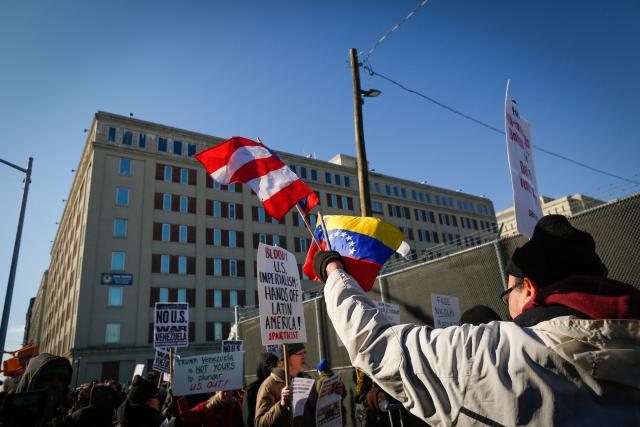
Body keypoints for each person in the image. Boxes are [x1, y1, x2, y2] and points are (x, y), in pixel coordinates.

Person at [313, 214, 640, 425]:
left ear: (529, 289)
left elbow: (377, 346)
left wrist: (333, 269)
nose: (507, 303)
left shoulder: (502, 355)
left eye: (507, 292)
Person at [1, 352, 73, 427]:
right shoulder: (10, 417)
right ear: (33, 380)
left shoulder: (65, 413)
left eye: (62, 379)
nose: (56, 384)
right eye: (48, 378)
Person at [254, 343, 309, 427]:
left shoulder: (306, 379)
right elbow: (260, 423)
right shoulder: (269, 385)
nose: (304, 356)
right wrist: (281, 404)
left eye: (304, 353)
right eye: (300, 353)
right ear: (287, 358)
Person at [243, 352, 279, 427]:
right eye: (268, 366)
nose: (272, 369)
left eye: (274, 365)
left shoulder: (279, 384)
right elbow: (249, 417)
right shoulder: (252, 389)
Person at [175, 389, 243, 427]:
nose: (226, 394)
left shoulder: (235, 405)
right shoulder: (206, 406)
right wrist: (181, 398)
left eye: (228, 391)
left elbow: (242, 422)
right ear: (217, 392)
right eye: (223, 391)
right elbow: (188, 417)